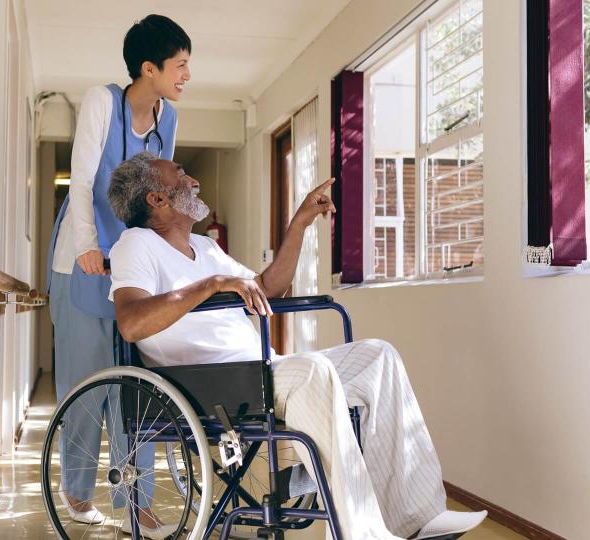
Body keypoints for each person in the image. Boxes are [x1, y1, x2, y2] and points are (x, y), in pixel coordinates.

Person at [105, 152, 488, 540]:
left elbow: (268, 287)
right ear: (157, 199)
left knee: (378, 356)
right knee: (313, 372)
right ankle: (363, 533)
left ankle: (420, 518)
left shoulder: (205, 249)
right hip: (210, 383)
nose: (193, 181)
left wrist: (300, 223)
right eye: (181, 175)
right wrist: (211, 284)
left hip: (259, 371)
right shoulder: (135, 245)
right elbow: (132, 323)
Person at [45, 15, 191, 538]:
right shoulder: (101, 102)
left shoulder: (167, 119)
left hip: (129, 265)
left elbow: (159, 195)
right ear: (147, 68)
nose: (186, 75)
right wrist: (88, 246)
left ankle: (139, 503)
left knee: (139, 388)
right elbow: (82, 181)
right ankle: (78, 490)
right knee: (86, 386)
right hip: (81, 263)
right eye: (179, 65)